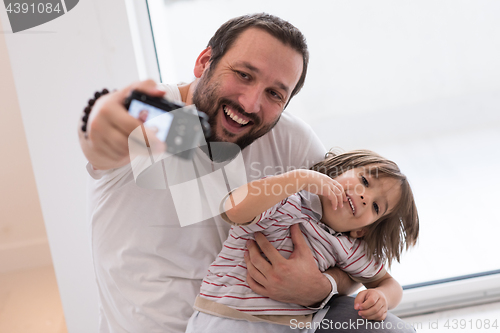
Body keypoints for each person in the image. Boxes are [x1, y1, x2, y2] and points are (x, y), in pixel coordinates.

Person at [78, 13, 415, 333]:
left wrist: (321, 286)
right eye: (244, 74)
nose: (251, 103)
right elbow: (103, 139)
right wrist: (100, 122)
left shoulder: (293, 141)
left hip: (271, 321)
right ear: (204, 61)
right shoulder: (156, 120)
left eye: (274, 94)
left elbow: (344, 239)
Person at [186, 150, 419, 332]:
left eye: (377, 206)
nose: (364, 197)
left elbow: (389, 284)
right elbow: (233, 210)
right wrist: (297, 180)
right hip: (223, 316)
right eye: (365, 182)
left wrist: (382, 298)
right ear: (341, 170)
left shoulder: (348, 248)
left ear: (363, 231)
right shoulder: (286, 199)